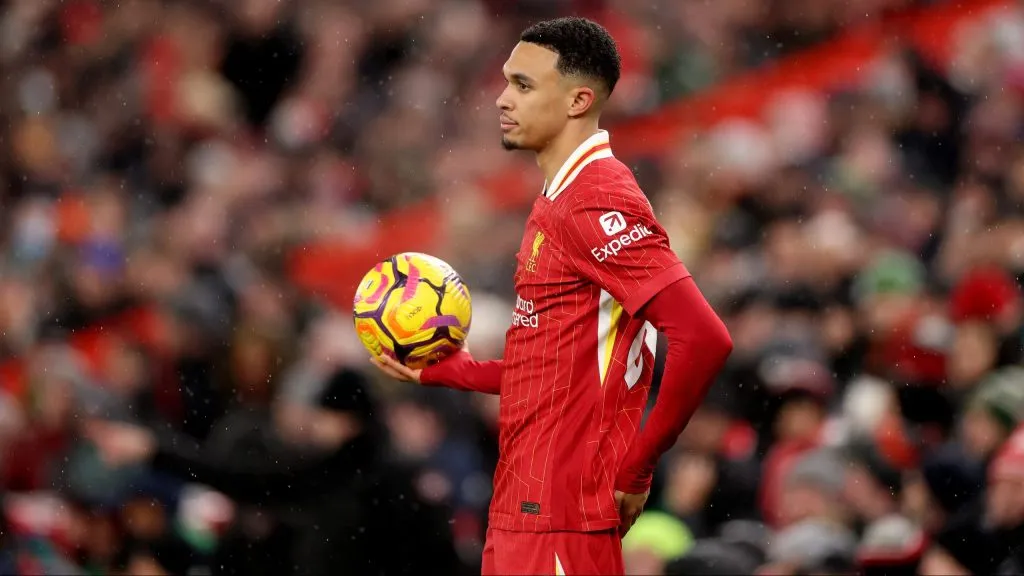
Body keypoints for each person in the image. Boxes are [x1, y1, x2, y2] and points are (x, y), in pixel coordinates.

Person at [371, 16, 733, 575]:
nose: (500, 99)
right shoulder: (557, 197)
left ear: (578, 100)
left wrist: (638, 468)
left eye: (522, 85)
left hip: (561, 516)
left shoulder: (595, 199)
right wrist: (453, 372)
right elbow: (556, 362)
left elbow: (703, 338)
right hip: (526, 509)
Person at [86, 368, 460, 575]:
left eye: (323, 416)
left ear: (346, 420)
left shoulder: (346, 475)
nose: (315, 425)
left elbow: (241, 478)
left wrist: (156, 451)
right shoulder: (384, 474)